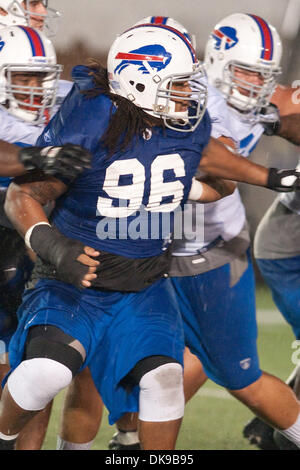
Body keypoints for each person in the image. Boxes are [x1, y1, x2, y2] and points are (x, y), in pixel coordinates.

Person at [0, 22, 294, 451]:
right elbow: (24, 193)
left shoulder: (185, 122)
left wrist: (264, 178)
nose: (186, 95)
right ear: (140, 81)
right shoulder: (93, 115)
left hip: (143, 284)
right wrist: (51, 244)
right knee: (47, 372)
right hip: (76, 278)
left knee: (165, 379)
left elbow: (211, 157)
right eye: (175, 85)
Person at [104, 15, 300, 451]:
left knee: (235, 372)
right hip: (158, 249)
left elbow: (286, 107)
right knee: (160, 358)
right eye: (246, 71)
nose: (255, 84)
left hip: (211, 252)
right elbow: (214, 154)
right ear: (215, 62)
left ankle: (133, 438)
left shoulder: (255, 100)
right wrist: (269, 173)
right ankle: (132, 437)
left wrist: (274, 120)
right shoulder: (193, 96)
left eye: (263, 76)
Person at [0, 24, 90, 451]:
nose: (36, 87)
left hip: (41, 248)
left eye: (41, 76)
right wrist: (38, 156)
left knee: (39, 366)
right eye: (23, 77)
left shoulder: (66, 101)